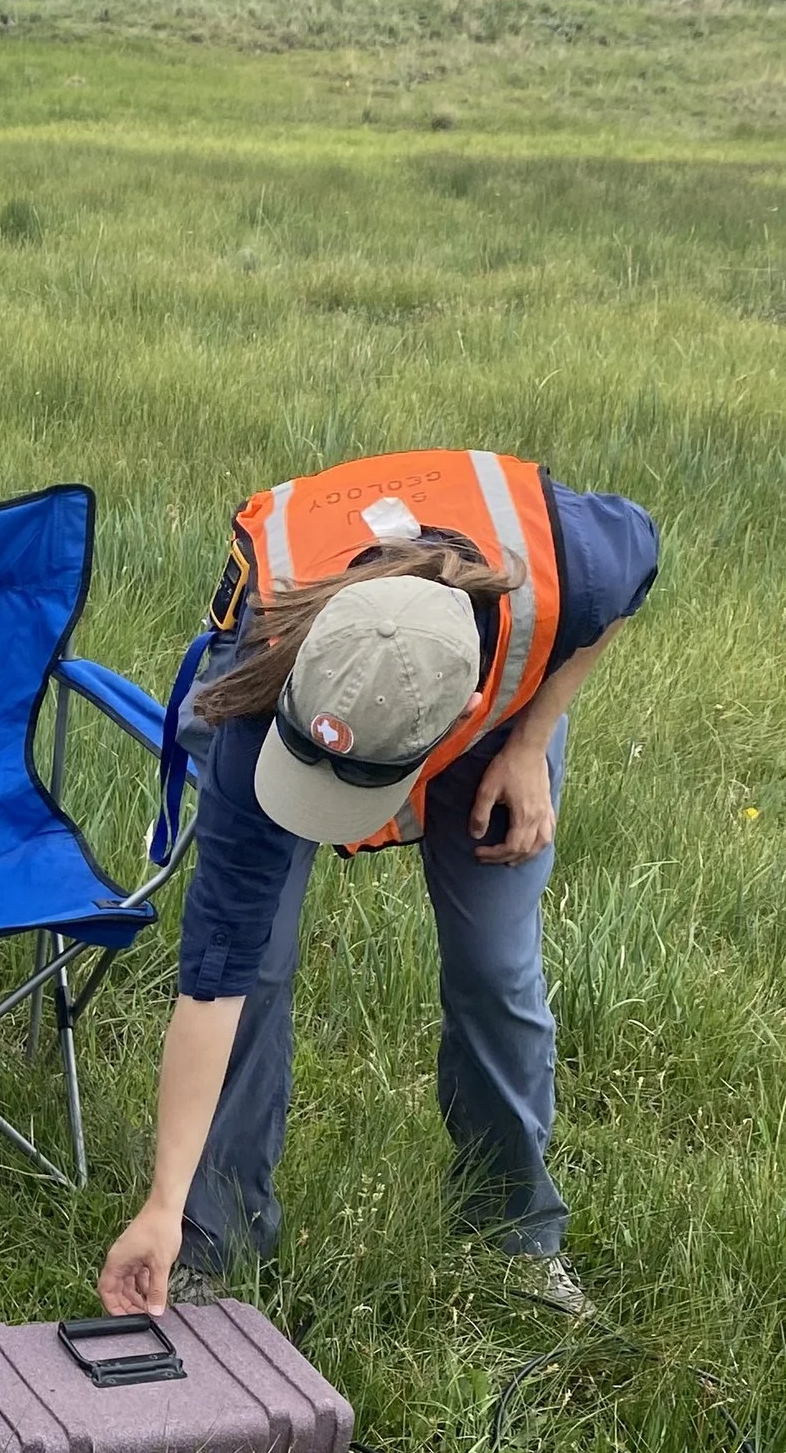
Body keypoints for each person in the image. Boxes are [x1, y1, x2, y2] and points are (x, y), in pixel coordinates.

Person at [98, 449, 659, 1323]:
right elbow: (216, 980)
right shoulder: (262, 703)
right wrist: (160, 1207)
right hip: (281, 689)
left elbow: (638, 567)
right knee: (259, 969)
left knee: (495, 970)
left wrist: (529, 739)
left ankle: (514, 1237)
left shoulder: (576, 560)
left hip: (495, 729)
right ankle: (212, 1239)